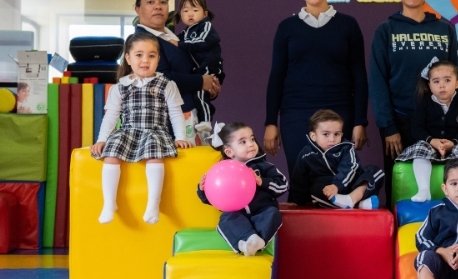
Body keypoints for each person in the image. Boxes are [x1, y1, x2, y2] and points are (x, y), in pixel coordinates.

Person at [369, 0, 458, 209]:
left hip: (440, 122)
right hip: (399, 124)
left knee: (443, 184)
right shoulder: (386, 30)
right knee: (402, 186)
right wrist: (389, 126)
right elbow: (378, 81)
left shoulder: (445, 29)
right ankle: (400, 243)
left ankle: (443, 238)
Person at [264, 0, 369, 177]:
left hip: (339, 110)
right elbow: (277, 77)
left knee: (337, 180)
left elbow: (359, 76)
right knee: (301, 180)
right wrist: (271, 122)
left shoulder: (348, 25)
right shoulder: (286, 28)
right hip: (296, 114)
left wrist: (360, 121)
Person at [90, 33, 192, 224]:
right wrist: (101, 139)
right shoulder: (120, 87)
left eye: (151, 55)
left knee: (154, 154)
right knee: (111, 154)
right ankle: (109, 203)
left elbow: (176, 113)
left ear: (158, 59)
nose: (145, 60)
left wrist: (180, 136)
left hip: (156, 131)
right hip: (128, 131)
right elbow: (111, 116)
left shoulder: (166, 84)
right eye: (139, 55)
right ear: (128, 58)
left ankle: (153, 203)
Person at [133, 0, 220, 142]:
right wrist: (201, 81)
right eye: (151, 2)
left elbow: (192, 70)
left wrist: (210, 85)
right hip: (163, 123)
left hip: (189, 117)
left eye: (163, 2)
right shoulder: (143, 40)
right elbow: (161, 79)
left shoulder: (177, 38)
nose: (158, 6)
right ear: (137, 9)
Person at [197, 122, 288, 256]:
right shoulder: (223, 172)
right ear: (229, 152)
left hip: (261, 213)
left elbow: (283, 185)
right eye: (243, 142)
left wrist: (262, 181)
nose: (251, 144)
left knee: (272, 213)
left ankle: (258, 241)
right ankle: (249, 240)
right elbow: (213, 198)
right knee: (226, 218)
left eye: (252, 139)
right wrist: (202, 189)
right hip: (238, 216)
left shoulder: (264, 167)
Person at [396, 59, 458, 202]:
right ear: (430, 86)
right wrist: (432, 141)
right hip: (431, 145)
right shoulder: (425, 104)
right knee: (420, 147)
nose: (442, 85)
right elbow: (417, 128)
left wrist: (453, 142)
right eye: (436, 81)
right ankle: (424, 190)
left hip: (454, 146)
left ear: (457, 83)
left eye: (447, 80)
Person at [289, 109, 384, 209]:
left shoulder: (346, 148)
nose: (332, 139)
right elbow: (299, 180)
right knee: (316, 190)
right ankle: (358, 205)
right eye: (326, 134)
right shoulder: (306, 154)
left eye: (337, 134)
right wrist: (296, 201)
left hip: (350, 186)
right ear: (313, 136)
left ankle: (352, 199)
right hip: (328, 191)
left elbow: (350, 168)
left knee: (375, 172)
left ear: (341, 134)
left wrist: (336, 186)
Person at [170, 0, 225, 123]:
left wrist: (179, 44)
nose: (190, 14)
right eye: (185, 11)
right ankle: (201, 121)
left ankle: (205, 122)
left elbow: (202, 41)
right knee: (197, 94)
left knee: (201, 92)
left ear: (205, 14)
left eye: (195, 10)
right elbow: (176, 43)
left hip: (209, 65)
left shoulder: (205, 26)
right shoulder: (185, 32)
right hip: (199, 68)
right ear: (180, 15)